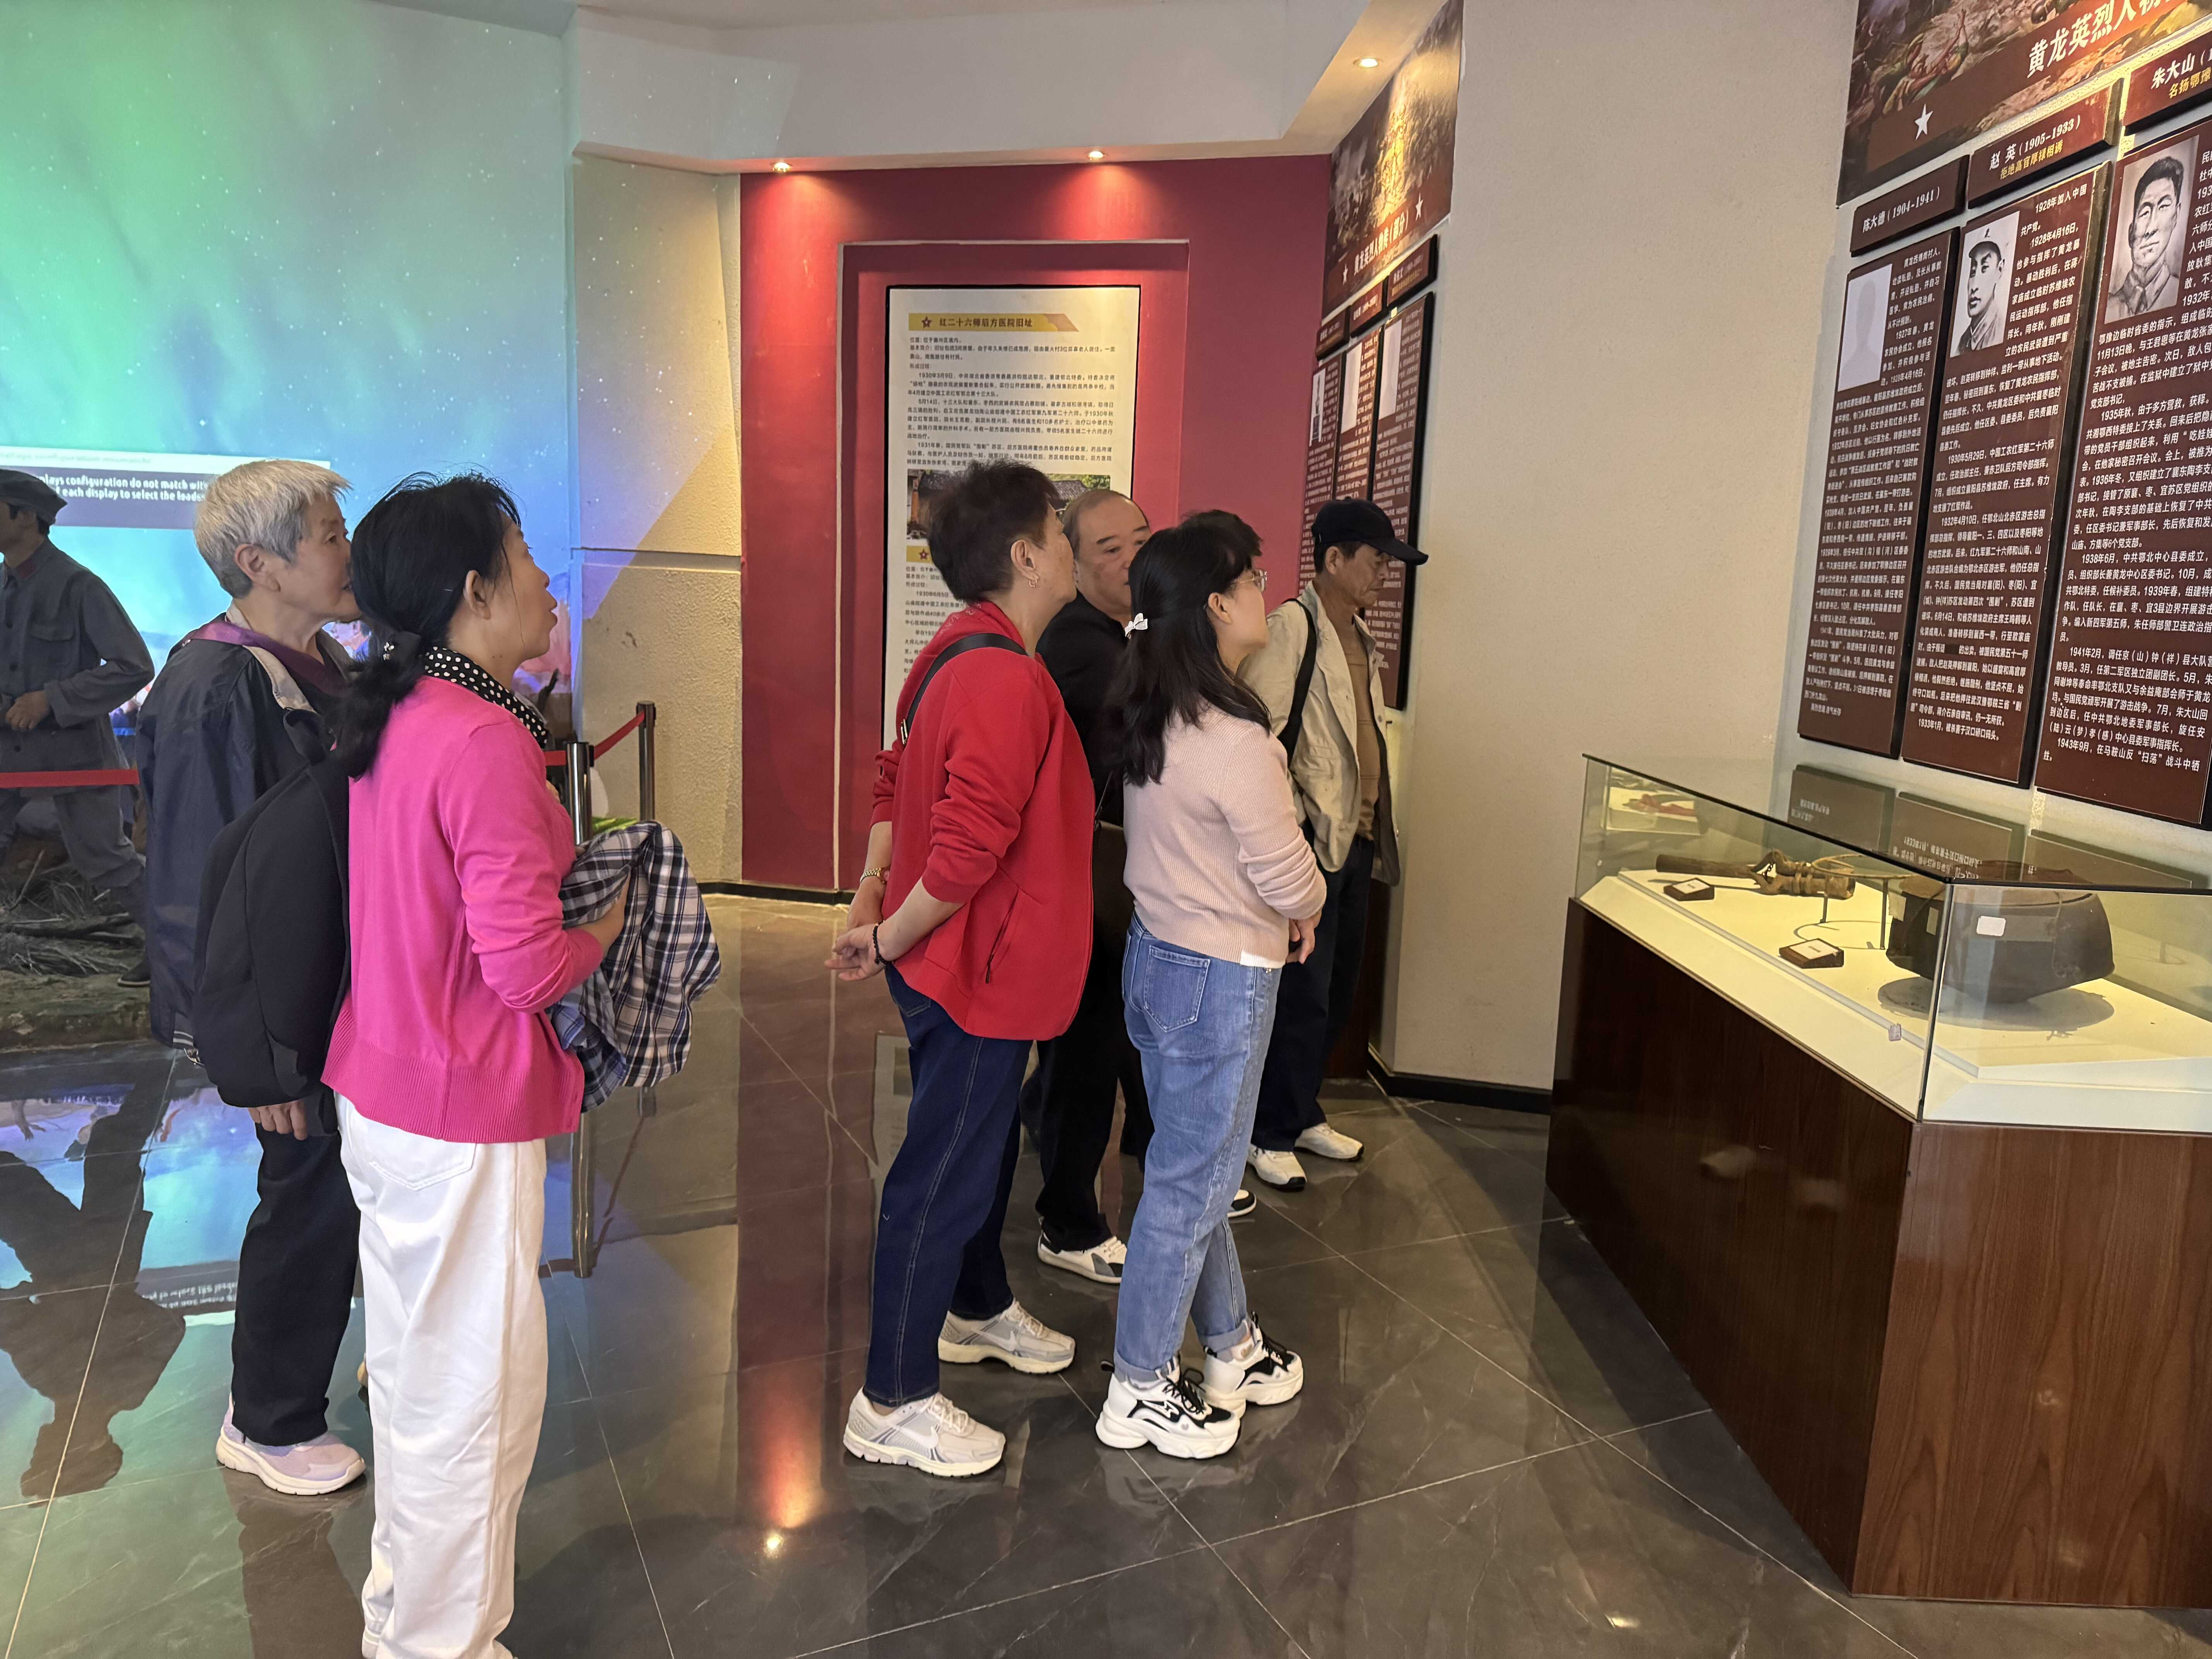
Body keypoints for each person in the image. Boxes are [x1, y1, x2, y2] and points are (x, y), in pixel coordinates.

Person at [323, 473, 629, 1659]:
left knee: (419, 1376)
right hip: (459, 1107)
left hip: (391, 1086)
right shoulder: (485, 736)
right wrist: (612, 925)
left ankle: (404, 1619)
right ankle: (440, 1644)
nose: (548, 581)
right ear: (473, 590)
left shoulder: (402, 711)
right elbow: (527, 969)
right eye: (526, 555)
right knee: (475, 1398)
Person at [831, 458, 1090, 1479]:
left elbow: (896, 780)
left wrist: (872, 895)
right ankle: (892, 1398)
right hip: (978, 970)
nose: (1070, 546)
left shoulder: (955, 650)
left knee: (971, 1154)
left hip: (959, 960)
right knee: (940, 1173)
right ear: (1026, 554)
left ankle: (975, 1306)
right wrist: (888, 933)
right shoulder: (1002, 675)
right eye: (1062, 532)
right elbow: (970, 843)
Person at [136, 461, 368, 1497]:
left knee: (349, 1179)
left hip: (341, 982)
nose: (348, 551)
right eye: (329, 534)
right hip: (287, 1003)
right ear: (258, 562)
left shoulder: (321, 660)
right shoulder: (214, 682)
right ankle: (268, 1416)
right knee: (305, 1186)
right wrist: (259, 1052)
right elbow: (202, 880)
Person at [1094, 513, 1322, 1458]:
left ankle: (1232, 1347)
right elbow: (1288, 875)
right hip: (1222, 976)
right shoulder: (1235, 738)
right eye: (1252, 578)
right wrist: (1308, 906)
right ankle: (1140, 1385)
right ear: (1217, 607)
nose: (1266, 590)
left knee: (1193, 1169)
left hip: (1158, 960)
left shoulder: (1157, 711)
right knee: (1193, 1184)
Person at [1242, 498, 1419, 1192]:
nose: (1383, 574)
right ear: (1334, 559)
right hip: (1313, 842)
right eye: (1375, 560)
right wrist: (1291, 835)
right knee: (1300, 995)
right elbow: (1261, 739)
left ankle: (1300, 1110)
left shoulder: (1362, 639)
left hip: (1358, 839)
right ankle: (1268, 1131)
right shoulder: (1292, 628)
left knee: (1336, 991)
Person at [1019, 488, 1154, 1284]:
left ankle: (1055, 1132)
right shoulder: (1077, 639)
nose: (1133, 558)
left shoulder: (1124, 628)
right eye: (1110, 548)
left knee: (1099, 1040)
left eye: (1141, 538)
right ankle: (1068, 1222)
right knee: (1086, 1045)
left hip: (1103, 883)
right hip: (1081, 887)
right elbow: (1135, 738)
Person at [0, 469, 152, 982]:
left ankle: (175, 947)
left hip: (75, 754)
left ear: (25, 516)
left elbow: (134, 666)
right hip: (8, 751)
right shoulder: (4, 584)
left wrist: (51, 699)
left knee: (107, 860)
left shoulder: (78, 585)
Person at [2109, 153, 2186, 321]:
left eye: (2164, 206)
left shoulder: (2184, 294)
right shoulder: (2108, 308)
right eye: (2145, 213)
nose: (2150, 228)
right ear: (2131, 232)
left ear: (2176, 215)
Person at [1955, 235, 2008, 352]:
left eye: (1985, 268)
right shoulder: (1963, 342)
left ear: (1999, 270)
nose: (1974, 287)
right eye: (1973, 272)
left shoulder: (2001, 331)